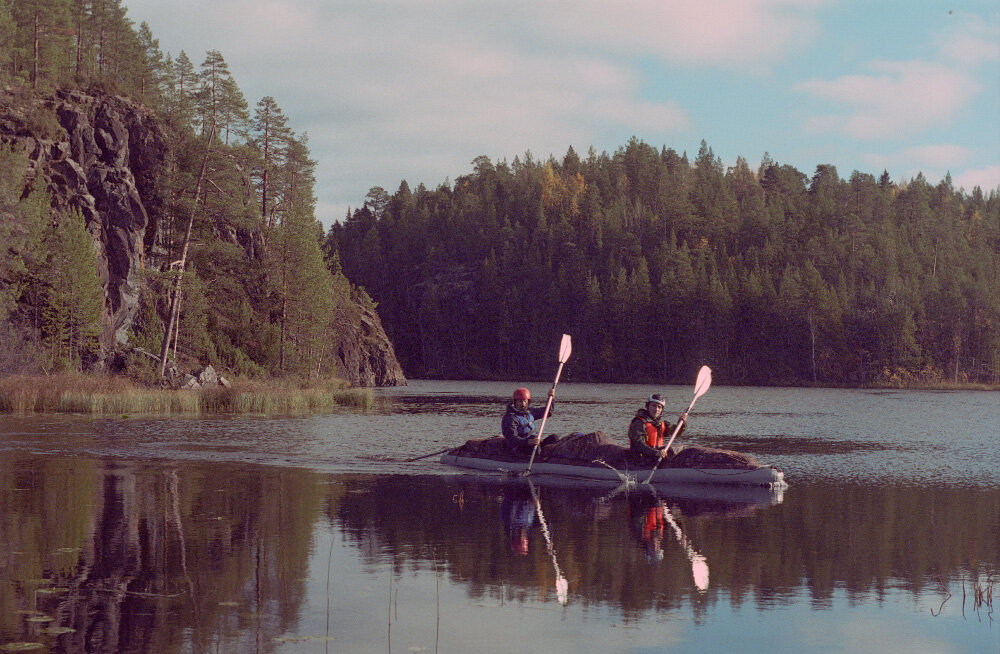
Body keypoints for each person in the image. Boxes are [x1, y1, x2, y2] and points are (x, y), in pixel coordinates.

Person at [628, 394, 688, 462]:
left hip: (656, 454)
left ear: (662, 409)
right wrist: (655, 452)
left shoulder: (660, 422)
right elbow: (638, 444)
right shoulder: (639, 422)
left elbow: (674, 432)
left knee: (679, 448)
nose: (656, 409)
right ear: (647, 406)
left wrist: (681, 423)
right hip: (642, 456)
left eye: (659, 407)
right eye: (653, 405)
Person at [501, 386, 555, 453]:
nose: (523, 404)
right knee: (536, 447)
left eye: (525, 401)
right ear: (515, 402)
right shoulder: (510, 418)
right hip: (518, 447)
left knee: (554, 438)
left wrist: (551, 398)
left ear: (528, 402)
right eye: (520, 401)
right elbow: (511, 439)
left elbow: (548, 412)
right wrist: (527, 442)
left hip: (533, 443)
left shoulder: (531, 412)